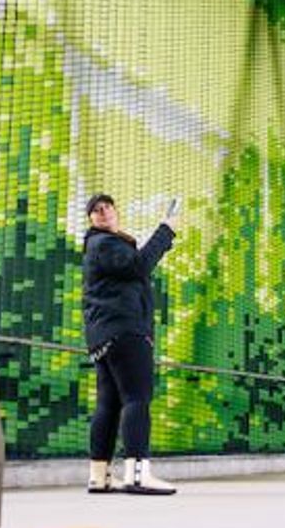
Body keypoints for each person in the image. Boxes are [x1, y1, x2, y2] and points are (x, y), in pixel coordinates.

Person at [83, 194, 179, 496]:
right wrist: (166, 229)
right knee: (137, 398)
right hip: (125, 331)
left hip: (104, 336)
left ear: (115, 211)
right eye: (96, 210)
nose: (103, 211)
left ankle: (99, 476)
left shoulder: (100, 247)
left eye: (108, 206)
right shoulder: (104, 243)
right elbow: (140, 266)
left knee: (109, 405)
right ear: (92, 221)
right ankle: (138, 474)